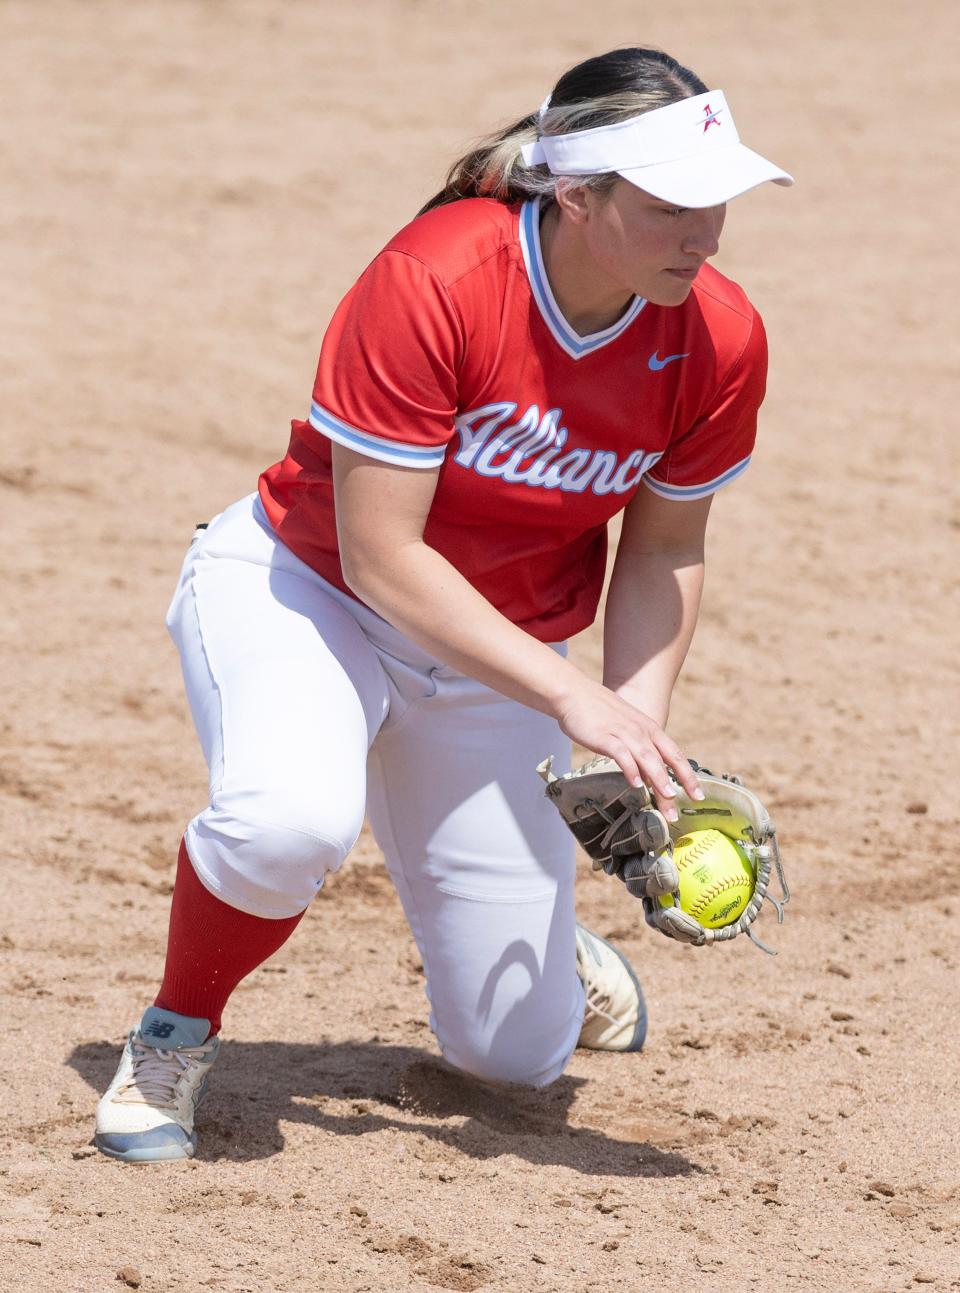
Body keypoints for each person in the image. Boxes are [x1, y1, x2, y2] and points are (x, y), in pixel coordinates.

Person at [94, 46, 792, 1162]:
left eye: (717, 204)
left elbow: (663, 547)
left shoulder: (718, 336)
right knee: (288, 821)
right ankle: (176, 1032)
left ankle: (551, 952)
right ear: (577, 194)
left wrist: (633, 727)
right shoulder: (439, 278)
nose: (704, 237)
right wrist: (576, 698)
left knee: (515, 1055)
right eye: (669, 207)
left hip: (493, 655)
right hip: (306, 592)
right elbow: (380, 558)